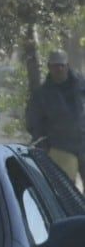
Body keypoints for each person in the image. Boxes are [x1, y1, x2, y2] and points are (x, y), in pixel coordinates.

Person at [26, 50, 85, 186]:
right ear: (49, 67)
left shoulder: (81, 86)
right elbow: (33, 122)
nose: (59, 69)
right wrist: (44, 145)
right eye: (55, 65)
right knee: (67, 191)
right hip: (61, 148)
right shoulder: (42, 94)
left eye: (62, 65)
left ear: (67, 65)